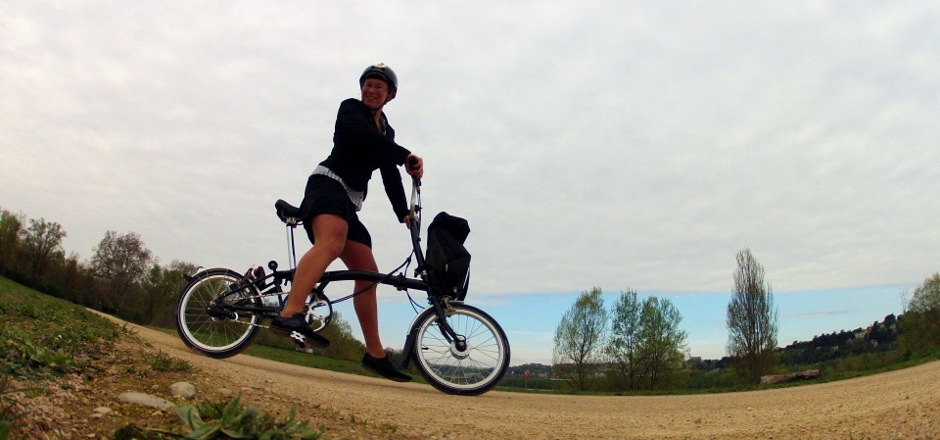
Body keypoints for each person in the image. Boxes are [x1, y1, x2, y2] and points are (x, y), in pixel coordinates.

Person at [270, 63, 423, 383]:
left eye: (378, 87)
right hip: (327, 187)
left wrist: (402, 212)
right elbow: (366, 139)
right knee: (332, 241)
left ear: (390, 95)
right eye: (367, 84)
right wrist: (406, 154)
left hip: (348, 202)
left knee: (368, 273)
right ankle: (290, 312)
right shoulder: (351, 110)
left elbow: (389, 171)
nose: (370, 90)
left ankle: (376, 354)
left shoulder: (387, 132)